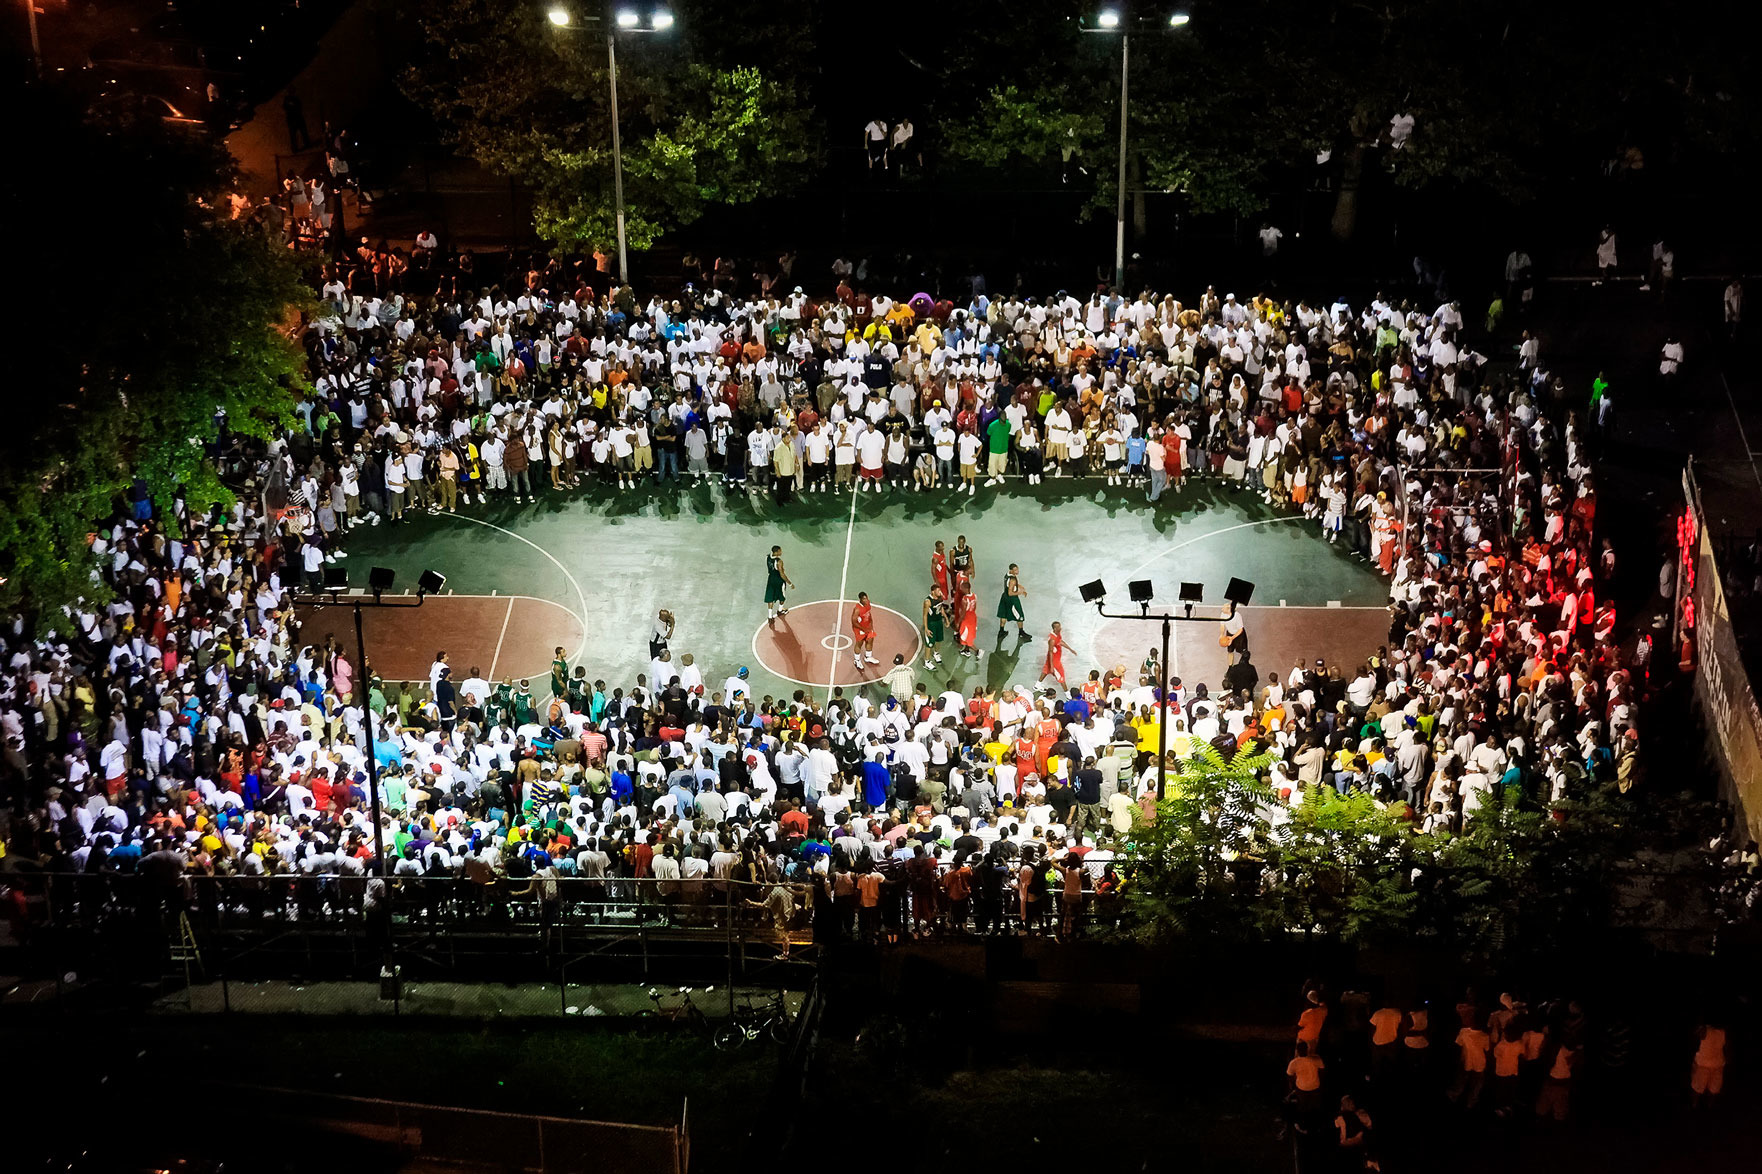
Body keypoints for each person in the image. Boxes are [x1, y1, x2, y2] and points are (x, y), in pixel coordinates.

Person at [996, 563, 1028, 639]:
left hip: (1004, 597)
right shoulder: (1013, 579)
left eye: (1017, 569)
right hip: (1012, 599)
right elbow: (1010, 593)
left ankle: (1001, 631)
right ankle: (1021, 632)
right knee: (1020, 615)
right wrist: (1020, 592)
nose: (1017, 571)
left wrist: (1019, 586)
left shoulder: (1007, 575)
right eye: (1015, 570)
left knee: (1003, 614)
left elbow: (1009, 585)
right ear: (1011, 570)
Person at [922, 585, 948, 670]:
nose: (940, 592)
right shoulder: (927, 602)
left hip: (939, 622)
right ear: (933, 591)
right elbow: (925, 615)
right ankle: (927, 662)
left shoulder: (940, 598)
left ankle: (936, 653)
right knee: (929, 643)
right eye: (938, 590)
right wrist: (926, 628)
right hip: (931, 624)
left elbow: (941, 608)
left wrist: (946, 618)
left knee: (939, 640)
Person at [765, 545, 794, 621]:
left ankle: (770, 617)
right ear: (776, 552)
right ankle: (780, 611)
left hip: (771, 579)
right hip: (779, 581)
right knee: (782, 596)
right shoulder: (779, 562)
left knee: (770, 597)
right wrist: (790, 583)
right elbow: (782, 574)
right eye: (780, 551)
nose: (781, 552)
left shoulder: (767, 557)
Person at [850, 591, 878, 670]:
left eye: (866, 598)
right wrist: (863, 629)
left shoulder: (868, 604)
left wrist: (871, 625)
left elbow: (869, 614)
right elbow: (854, 622)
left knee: (870, 640)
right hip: (859, 629)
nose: (866, 600)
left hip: (867, 627)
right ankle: (857, 660)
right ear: (860, 599)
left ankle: (868, 657)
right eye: (864, 599)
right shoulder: (857, 609)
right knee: (859, 643)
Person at [1039, 621, 1067, 687]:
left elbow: (1060, 641)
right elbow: (1051, 652)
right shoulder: (1052, 639)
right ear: (1055, 628)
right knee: (1061, 676)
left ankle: (1037, 685)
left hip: (1054, 658)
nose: (1060, 628)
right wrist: (1052, 666)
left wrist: (1069, 648)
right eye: (1059, 627)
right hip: (1054, 660)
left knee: (1046, 670)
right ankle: (1067, 692)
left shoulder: (1056, 634)